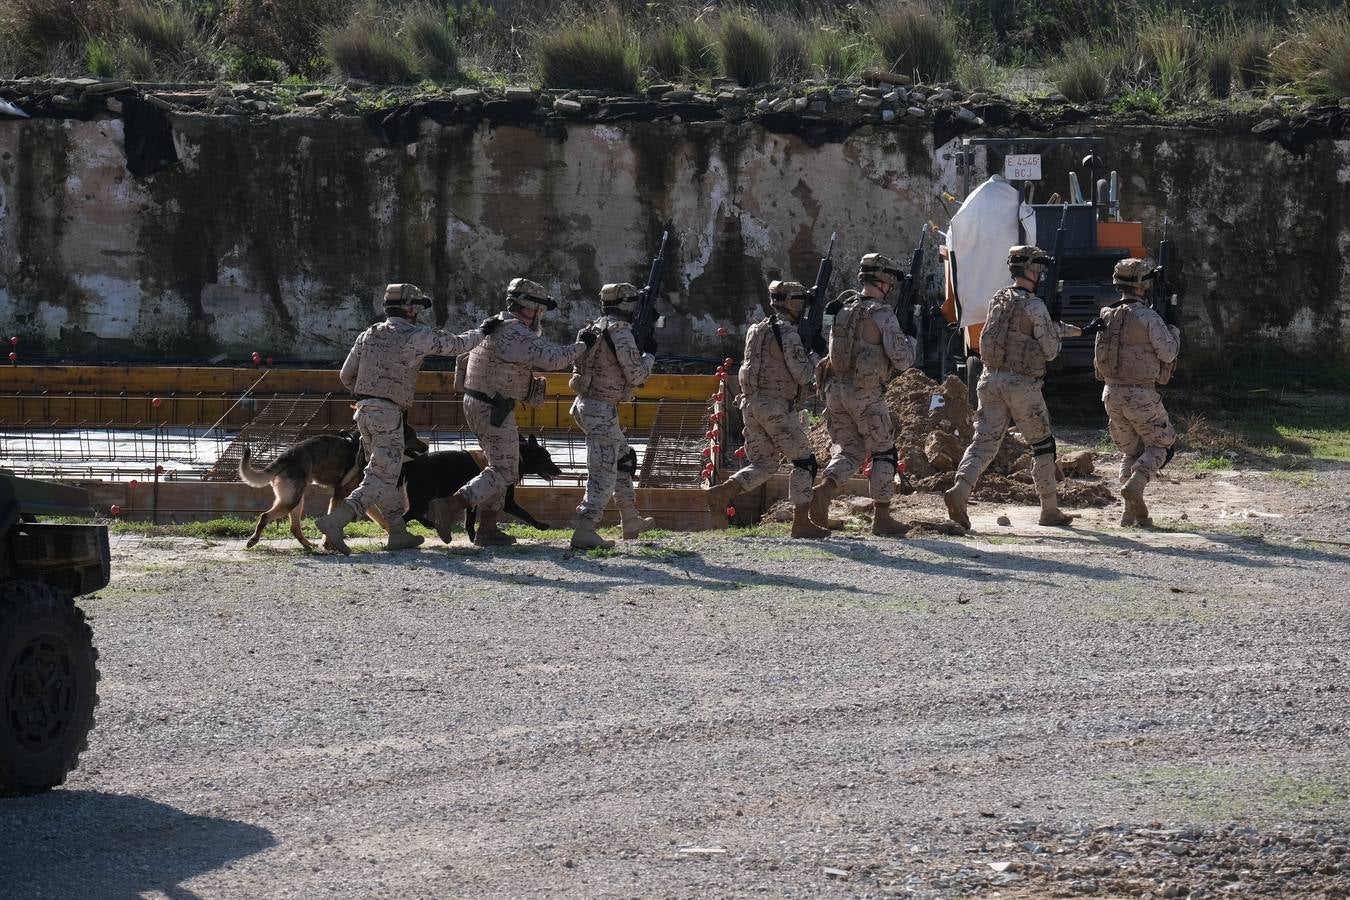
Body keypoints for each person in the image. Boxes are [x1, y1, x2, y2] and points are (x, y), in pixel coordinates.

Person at [316, 283, 493, 554]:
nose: (419, 312)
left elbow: (345, 376)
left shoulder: (368, 335)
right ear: (410, 308)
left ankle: (397, 531)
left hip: (363, 411)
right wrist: (482, 331)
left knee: (388, 471)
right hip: (388, 413)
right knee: (381, 474)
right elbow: (458, 345)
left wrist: (370, 394)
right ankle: (337, 520)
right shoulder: (416, 335)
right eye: (418, 306)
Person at [429, 277, 590, 546]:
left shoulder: (497, 324)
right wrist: (584, 343)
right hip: (493, 408)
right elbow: (554, 359)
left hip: (484, 404)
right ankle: (450, 505)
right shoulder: (515, 332)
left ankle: (487, 529)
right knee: (505, 470)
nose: (541, 315)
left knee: (499, 466)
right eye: (539, 309)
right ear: (531, 308)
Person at [943, 246, 1081, 529]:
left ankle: (960, 490)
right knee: (1043, 445)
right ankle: (1050, 510)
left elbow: (1015, 332)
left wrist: (1075, 329)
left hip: (989, 379)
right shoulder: (1035, 306)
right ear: (1031, 271)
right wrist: (1058, 333)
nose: (1041, 274)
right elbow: (1051, 349)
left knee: (983, 443)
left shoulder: (999, 299)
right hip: (1022, 386)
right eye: (1039, 268)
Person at [704, 280, 829, 538]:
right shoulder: (789, 334)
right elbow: (804, 374)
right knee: (804, 461)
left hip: (750, 404)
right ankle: (801, 522)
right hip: (775, 407)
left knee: (765, 464)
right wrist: (817, 352)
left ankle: (722, 493)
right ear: (793, 303)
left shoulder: (756, 329)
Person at [809, 254, 917, 536]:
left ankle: (825, 489)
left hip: (835, 391)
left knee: (851, 450)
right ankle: (881, 517)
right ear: (883, 283)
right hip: (865, 395)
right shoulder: (882, 315)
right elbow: (903, 360)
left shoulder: (842, 309)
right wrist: (912, 339)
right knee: (883, 452)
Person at [568, 282, 658, 550]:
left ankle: (630, 520)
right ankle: (585, 529)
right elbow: (637, 375)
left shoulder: (595, 327)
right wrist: (650, 354)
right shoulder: (620, 333)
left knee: (622, 460)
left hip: (588, 406)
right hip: (600, 410)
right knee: (603, 471)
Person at [1092, 257, 1180, 527]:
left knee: (1131, 450)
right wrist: (1173, 331)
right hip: (1140, 394)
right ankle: (1136, 485)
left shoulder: (1107, 314)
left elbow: (1097, 361)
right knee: (1161, 445)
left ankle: (1128, 514)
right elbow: (1168, 352)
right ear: (1144, 284)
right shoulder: (1148, 317)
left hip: (1110, 393)